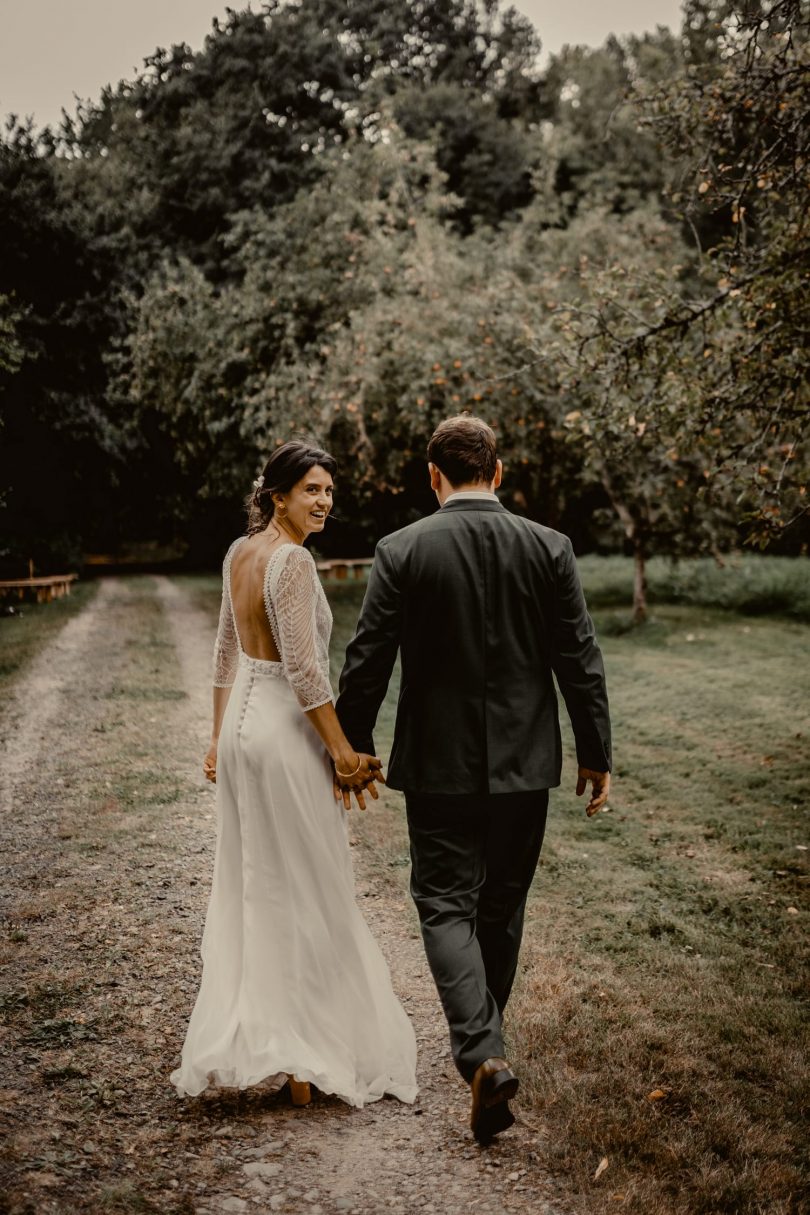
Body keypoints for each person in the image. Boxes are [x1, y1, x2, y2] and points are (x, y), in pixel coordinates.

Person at [336, 414, 611, 1144]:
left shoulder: (402, 550)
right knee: (502, 904)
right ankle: (488, 1048)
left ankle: (483, 1054)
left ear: (434, 476)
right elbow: (579, 657)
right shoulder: (548, 546)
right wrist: (597, 752)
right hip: (526, 766)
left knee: (443, 901)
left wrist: (354, 749)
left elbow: (366, 660)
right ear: (499, 469)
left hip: (438, 766)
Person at [171, 441, 418, 1110]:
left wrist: (218, 737)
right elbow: (305, 671)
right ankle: (307, 1053)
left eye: (329, 492)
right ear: (277, 494)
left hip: (245, 737)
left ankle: (282, 1044)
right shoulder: (291, 561)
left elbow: (228, 652)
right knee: (310, 887)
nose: (324, 502)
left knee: (261, 889)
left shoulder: (238, 552)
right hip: (283, 739)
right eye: (311, 489)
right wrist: (341, 751)